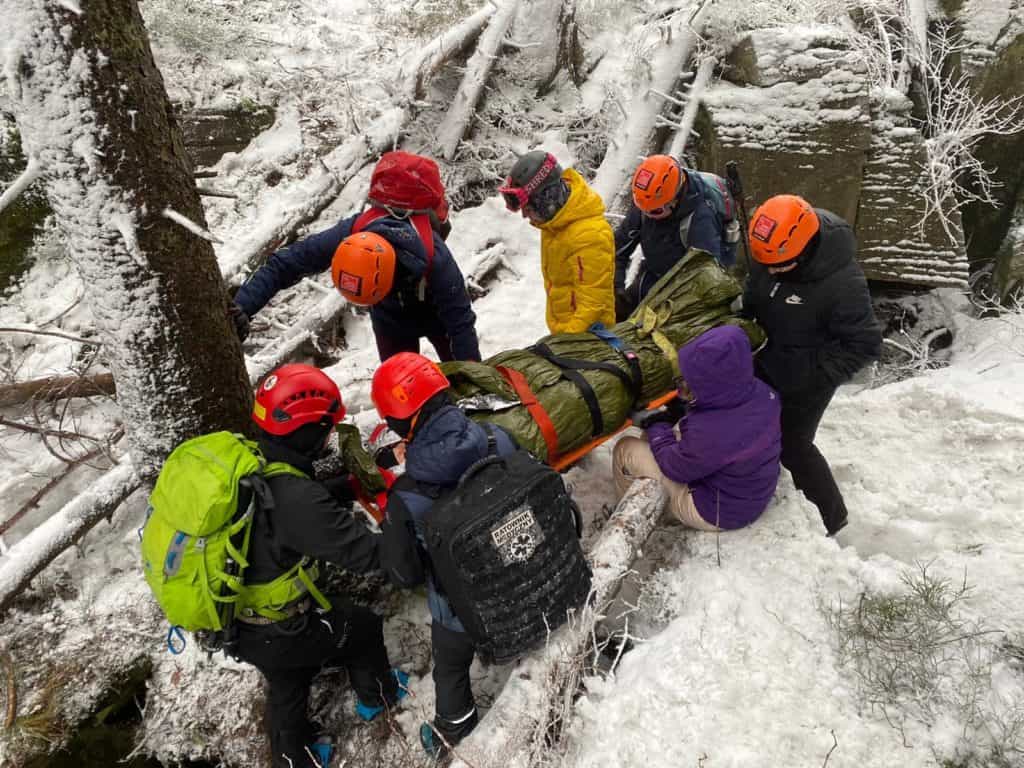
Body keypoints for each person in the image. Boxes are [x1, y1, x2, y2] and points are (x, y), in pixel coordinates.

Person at [235, 363, 407, 768]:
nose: (330, 435)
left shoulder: (254, 458)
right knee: (361, 627)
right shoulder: (295, 499)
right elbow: (369, 555)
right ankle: (377, 697)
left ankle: (293, 757)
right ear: (307, 430)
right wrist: (412, 536)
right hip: (277, 628)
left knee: (287, 681)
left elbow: (286, 509)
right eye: (327, 427)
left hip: (239, 619)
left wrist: (348, 486)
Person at [372, 352, 518, 759]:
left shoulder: (407, 497)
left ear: (399, 423)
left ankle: (453, 728)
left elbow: (405, 574)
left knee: (450, 667)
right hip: (521, 568)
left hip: (464, 607)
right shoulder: (498, 438)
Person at [231, 151, 481, 363]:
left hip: (438, 316)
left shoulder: (434, 258)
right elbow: (288, 263)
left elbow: (460, 322)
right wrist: (243, 305)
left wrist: (473, 384)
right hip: (391, 322)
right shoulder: (354, 231)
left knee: (460, 379)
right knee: (402, 396)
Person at [741, 194, 882, 536]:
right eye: (766, 264)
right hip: (768, 357)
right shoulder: (771, 248)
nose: (771, 271)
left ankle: (833, 519)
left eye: (780, 265)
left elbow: (864, 344)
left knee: (794, 444)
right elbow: (755, 289)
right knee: (750, 424)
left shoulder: (843, 283)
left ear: (803, 249)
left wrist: (814, 375)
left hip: (810, 374)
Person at [612, 325, 782, 530]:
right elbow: (715, 435)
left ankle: (630, 519)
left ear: (714, 383)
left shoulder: (714, 430)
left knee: (626, 447)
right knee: (659, 437)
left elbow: (675, 467)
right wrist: (676, 414)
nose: (682, 388)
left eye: (692, 383)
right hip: (747, 491)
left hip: (718, 510)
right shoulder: (762, 393)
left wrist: (656, 425)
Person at [499, 150, 615, 334]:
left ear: (547, 198)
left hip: (587, 340)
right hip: (564, 332)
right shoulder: (556, 224)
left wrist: (563, 345)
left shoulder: (590, 235)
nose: (524, 215)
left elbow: (593, 310)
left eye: (528, 207)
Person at [614, 154, 738, 320]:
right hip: (653, 275)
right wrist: (616, 289)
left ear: (674, 198)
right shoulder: (648, 201)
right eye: (644, 210)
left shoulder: (701, 220)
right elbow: (617, 248)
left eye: (656, 211)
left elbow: (706, 277)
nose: (648, 215)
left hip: (686, 290)